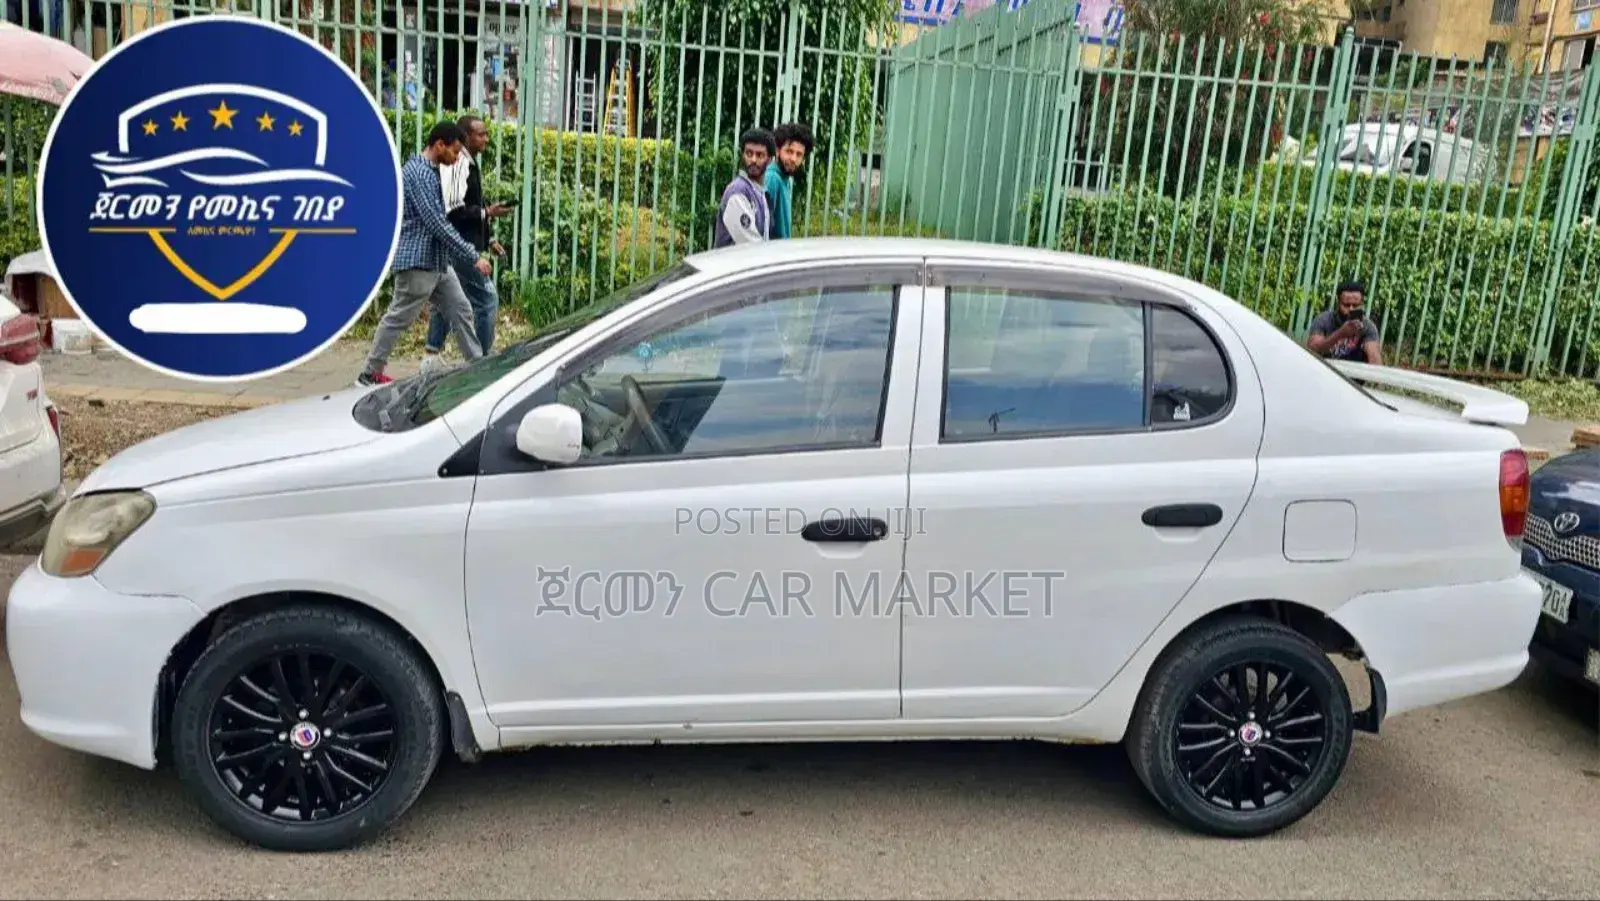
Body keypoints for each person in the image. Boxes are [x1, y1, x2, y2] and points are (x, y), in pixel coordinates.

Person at [356, 121, 493, 387]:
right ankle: (369, 374)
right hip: (418, 261)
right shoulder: (419, 174)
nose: (456, 159)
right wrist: (473, 256)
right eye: (454, 151)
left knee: (461, 309)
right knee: (399, 317)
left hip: (437, 261)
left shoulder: (430, 171)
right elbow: (436, 222)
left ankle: (477, 367)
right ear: (439, 145)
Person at [419, 114, 513, 375]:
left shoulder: (468, 162)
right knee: (487, 300)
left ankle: (431, 355)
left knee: (447, 300)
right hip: (459, 246)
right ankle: (481, 361)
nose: (486, 139)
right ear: (466, 137)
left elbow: (473, 203)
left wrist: (489, 238)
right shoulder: (458, 163)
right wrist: (487, 213)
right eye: (480, 134)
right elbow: (453, 210)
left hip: (464, 243)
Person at [713, 128, 776, 248]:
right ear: (742, 155)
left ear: (769, 160)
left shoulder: (760, 192)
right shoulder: (737, 192)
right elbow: (750, 245)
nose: (753, 160)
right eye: (749, 153)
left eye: (760, 155)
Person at [1307, 280, 1383, 365]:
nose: (1351, 309)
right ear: (1338, 302)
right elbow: (1312, 350)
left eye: (1355, 305)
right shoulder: (1323, 320)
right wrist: (1340, 333)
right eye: (1346, 305)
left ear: (1361, 304)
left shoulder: (1367, 326)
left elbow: (1375, 360)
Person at [764, 122, 813, 240]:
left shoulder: (785, 179)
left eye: (799, 154)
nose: (793, 159)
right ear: (777, 151)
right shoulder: (772, 178)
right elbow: (762, 224)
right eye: (789, 151)